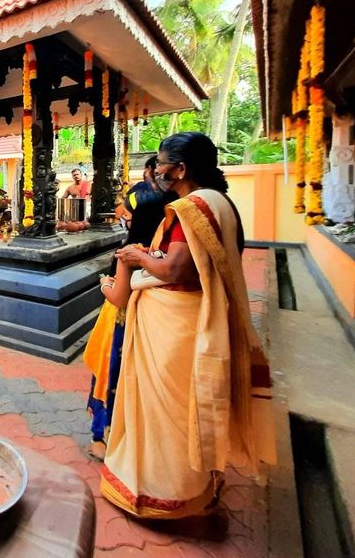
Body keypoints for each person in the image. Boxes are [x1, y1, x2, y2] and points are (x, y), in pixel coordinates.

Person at [98, 132, 274, 519]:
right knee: (185, 408)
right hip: (195, 319)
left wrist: (138, 257)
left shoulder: (192, 207)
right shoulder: (222, 203)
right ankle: (194, 487)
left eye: (161, 163)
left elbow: (177, 268)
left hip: (175, 323)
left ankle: (160, 494)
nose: (156, 170)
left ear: (180, 168)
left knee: (167, 413)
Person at [84, 157, 174, 460]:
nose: (122, 215)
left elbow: (118, 297)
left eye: (128, 213)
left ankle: (101, 439)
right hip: (147, 327)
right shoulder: (162, 251)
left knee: (109, 379)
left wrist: (103, 284)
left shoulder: (132, 252)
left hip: (120, 323)